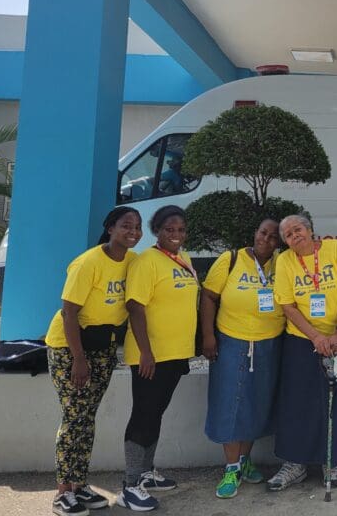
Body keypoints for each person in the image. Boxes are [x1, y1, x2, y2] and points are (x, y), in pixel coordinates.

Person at [45, 207, 142, 516]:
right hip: (69, 348)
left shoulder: (133, 262)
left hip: (102, 348)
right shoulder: (88, 263)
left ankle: (79, 484)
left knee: (87, 418)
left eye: (137, 227)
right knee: (74, 417)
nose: (134, 231)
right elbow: (68, 312)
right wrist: (78, 359)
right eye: (127, 225)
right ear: (110, 228)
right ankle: (62, 492)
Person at [268, 214, 337, 492]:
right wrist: (316, 336)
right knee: (298, 402)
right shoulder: (285, 261)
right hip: (301, 340)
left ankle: (331, 463)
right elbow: (288, 306)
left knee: (335, 402)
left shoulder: (335, 249)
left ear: (310, 230)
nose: (294, 236)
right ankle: (295, 464)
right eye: (288, 235)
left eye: (298, 230)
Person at [119, 205, 199, 511]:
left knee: (155, 413)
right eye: (169, 230)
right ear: (157, 231)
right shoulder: (146, 262)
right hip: (151, 356)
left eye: (180, 230)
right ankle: (130, 484)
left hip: (176, 353)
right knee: (142, 416)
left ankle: (146, 472)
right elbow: (135, 307)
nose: (176, 235)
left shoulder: (183, 259)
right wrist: (146, 352)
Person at [199, 219, 284, 499]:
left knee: (255, 403)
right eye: (263, 233)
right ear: (254, 233)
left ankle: (245, 461)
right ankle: (231, 468)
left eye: (273, 237)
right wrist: (208, 337)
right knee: (230, 403)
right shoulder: (231, 259)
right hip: (231, 342)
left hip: (268, 344)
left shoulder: (282, 263)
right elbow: (209, 297)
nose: (267, 240)